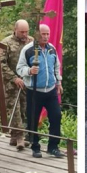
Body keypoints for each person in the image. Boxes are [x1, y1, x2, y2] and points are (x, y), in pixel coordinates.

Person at [16, 24, 64, 158]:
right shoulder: (28, 50)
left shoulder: (52, 49)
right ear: (37, 34)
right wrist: (29, 71)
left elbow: (56, 67)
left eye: (48, 34)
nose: (46, 37)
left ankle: (53, 146)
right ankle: (35, 146)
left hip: (50, 90)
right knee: (33, 119)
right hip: (34, 91)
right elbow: (19, 68)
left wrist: (58, 82)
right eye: (43, 34)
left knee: (56, 116)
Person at [0, 20, 33, 150]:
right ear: (15, 30)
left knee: (24, 109)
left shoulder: (31, 41)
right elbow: (1, 64)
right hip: (11, 83)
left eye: (26, 32)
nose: (24, 34)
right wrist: (13, 78)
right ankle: (19, 137)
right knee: (15, 110)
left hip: (27, 81)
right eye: (21, 32)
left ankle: (14, 136)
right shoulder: (6, 43)